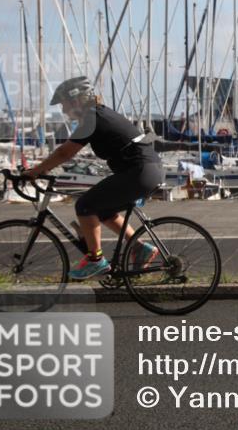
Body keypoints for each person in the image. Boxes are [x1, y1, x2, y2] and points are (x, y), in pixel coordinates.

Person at [25, 77, 165, 280]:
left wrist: (34, 171)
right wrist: (43, 169)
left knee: (85, 205)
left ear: (76, 100)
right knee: (104, 211)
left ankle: (95, 260)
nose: (63, 110)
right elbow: (65, 153)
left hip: (140, 171)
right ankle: (139, 248)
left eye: (64, 104)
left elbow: (65, 153)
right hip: (146, 170)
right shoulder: (98, 115)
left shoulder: (92, 118)